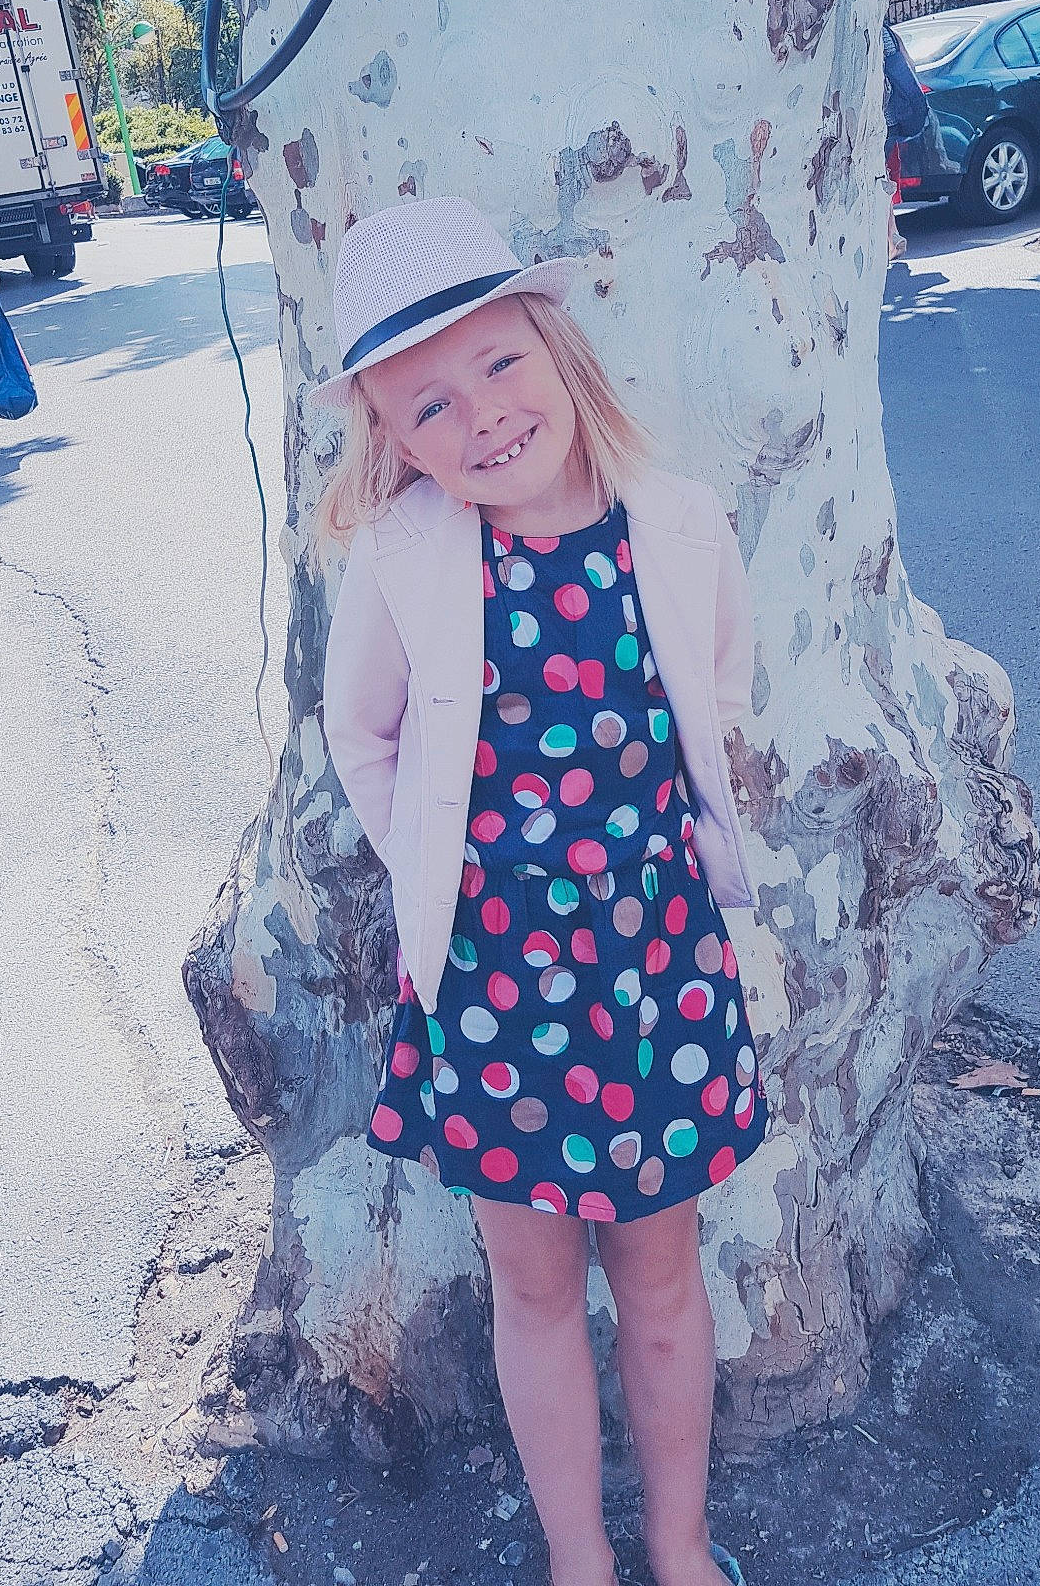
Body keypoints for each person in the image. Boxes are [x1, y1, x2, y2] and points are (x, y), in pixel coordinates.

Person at [315, 198, 779, 1586]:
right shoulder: (404, 558)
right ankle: (581, 1559)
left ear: (555, 346)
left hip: (657, 971)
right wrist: (445, 882)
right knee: (533, 1288)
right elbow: (362, 737)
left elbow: (719, 695)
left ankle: (678, 1545)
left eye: (500, 362)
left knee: (660, 1279)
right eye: (430, 405)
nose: (483, 416)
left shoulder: (677, 526)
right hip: (494, 990)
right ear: (394, 439)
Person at [883, 20, 929, 261]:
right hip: (888, 122)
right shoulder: (887, 34)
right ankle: (891, 236)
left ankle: (890, 238)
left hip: (878, 121)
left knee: (875, 182)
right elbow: (907, 73)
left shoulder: (878, 35)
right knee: (880, 179)